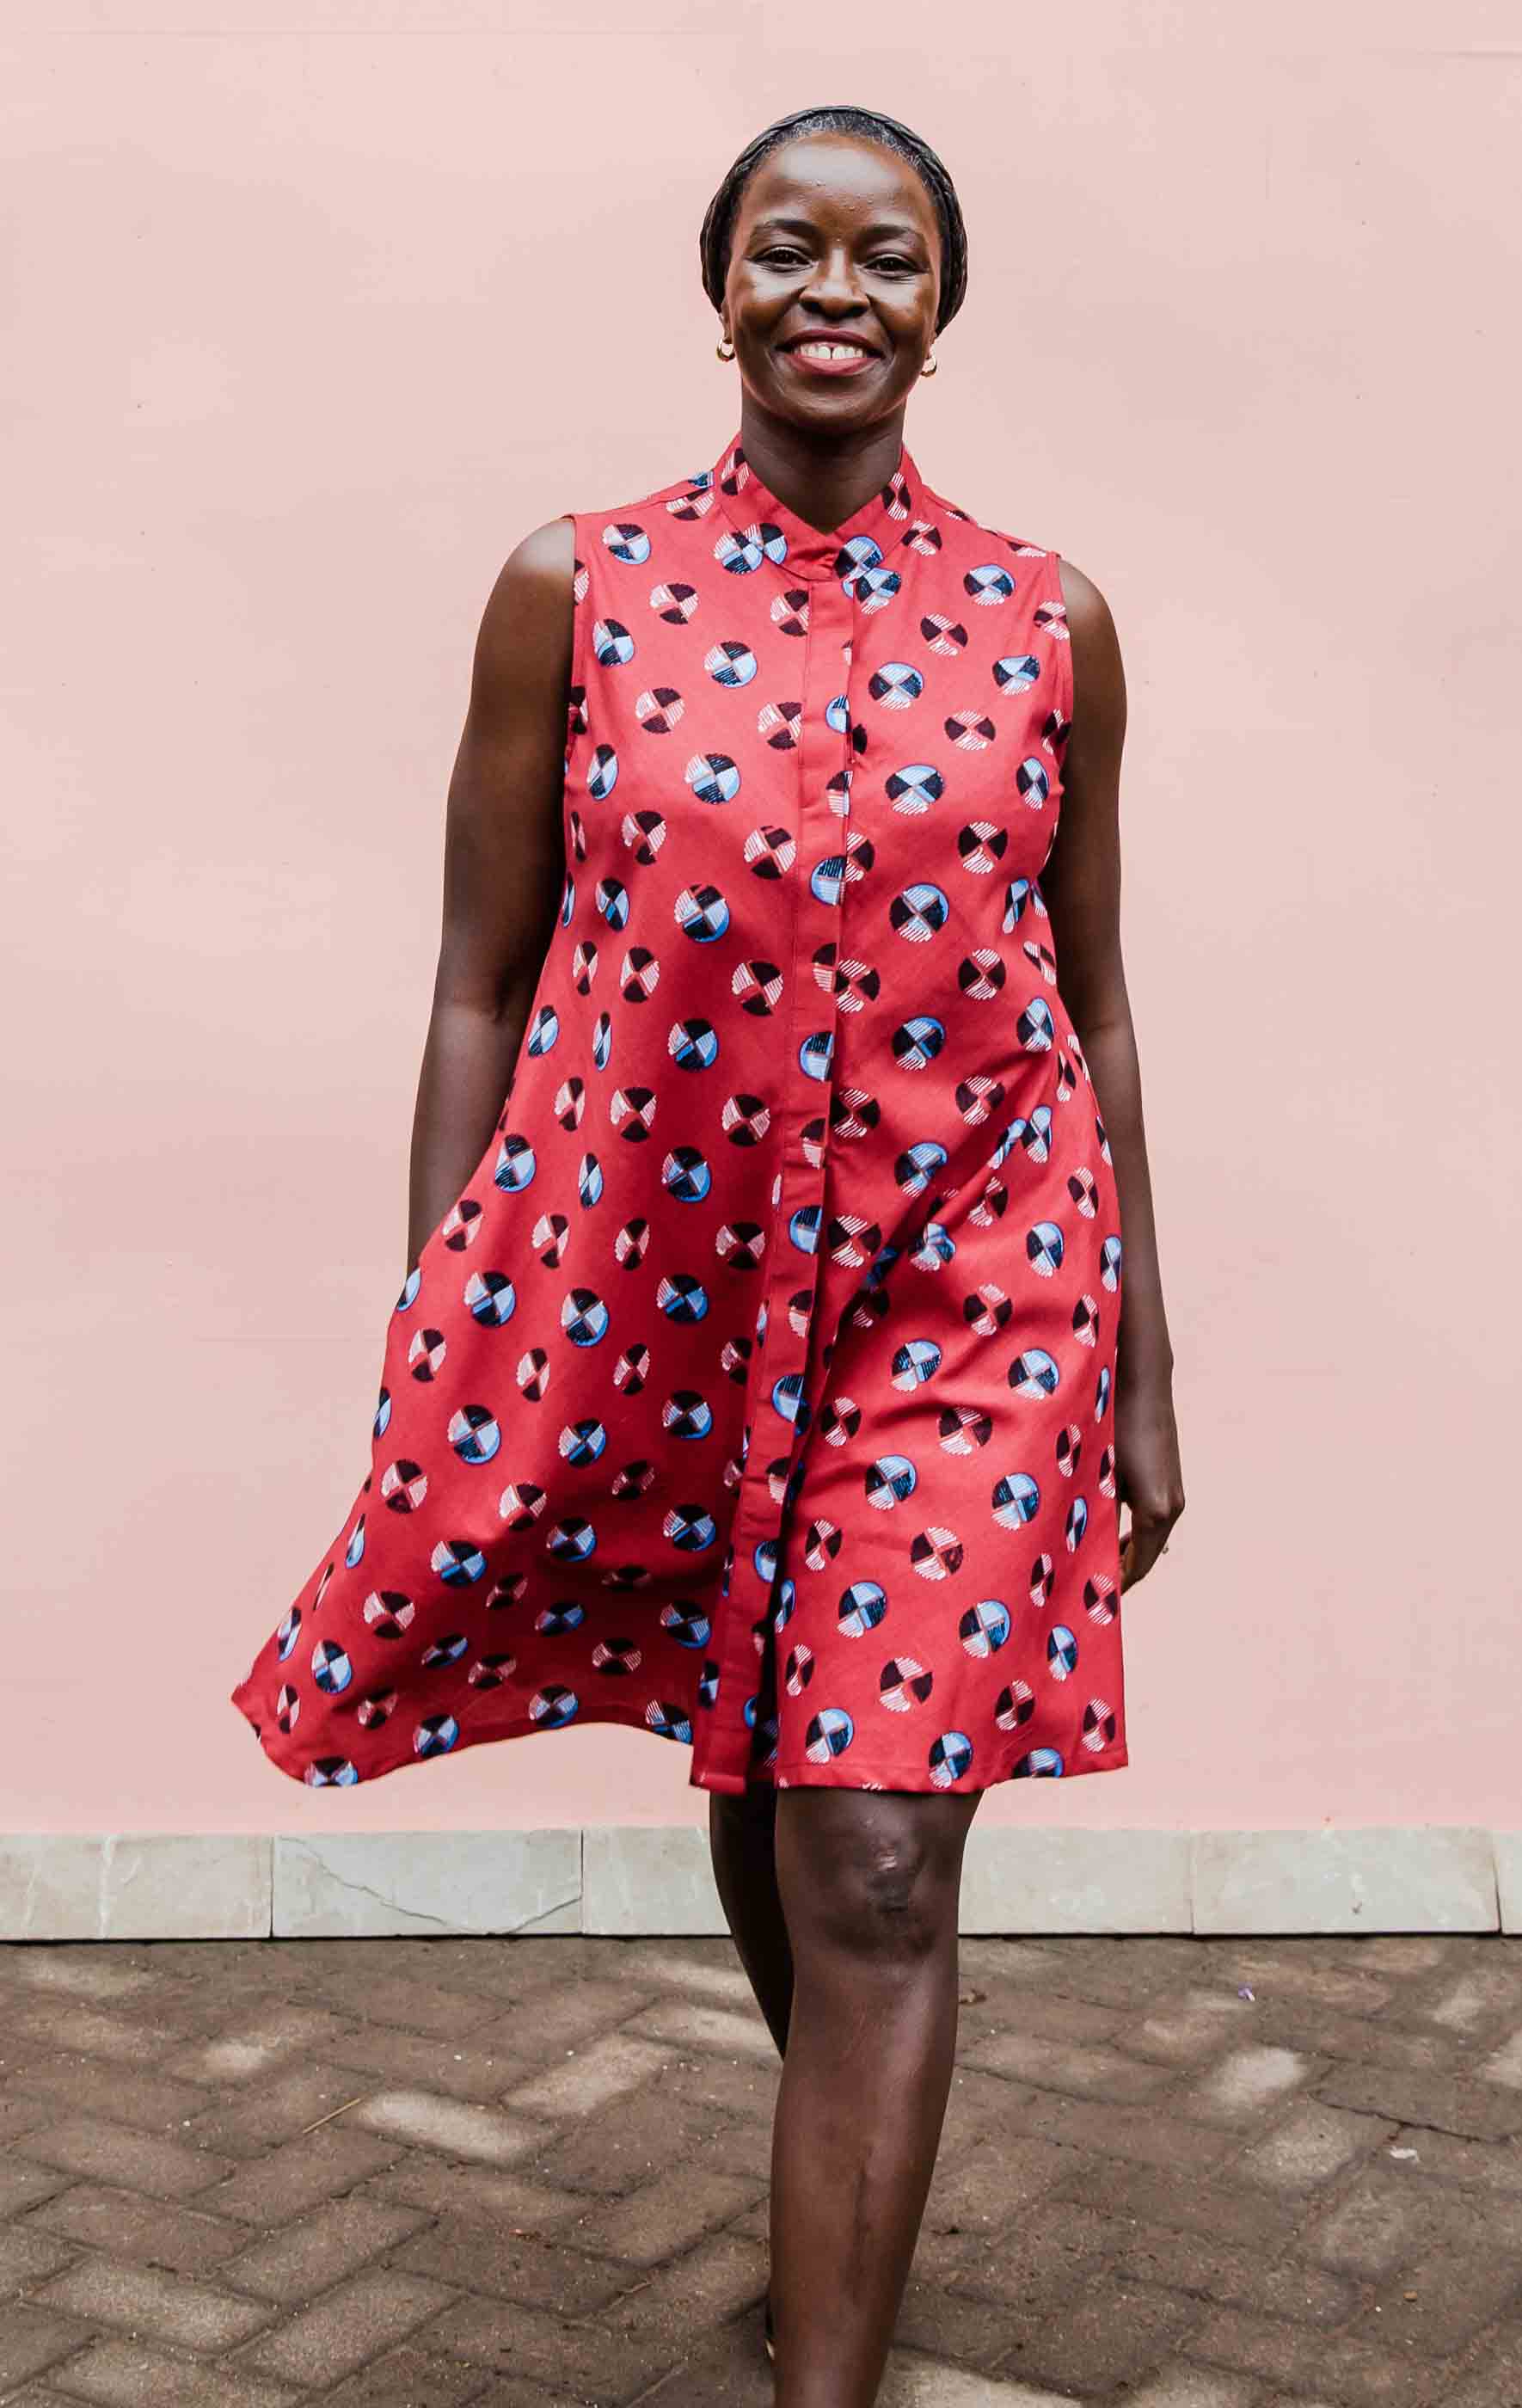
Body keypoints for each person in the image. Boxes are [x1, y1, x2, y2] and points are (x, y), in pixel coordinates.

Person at [230, 101, 1182, 2408]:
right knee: (769, 1791)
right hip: (657, 1290)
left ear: (946, 306)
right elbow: (481, 974)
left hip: (972, 1286)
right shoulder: (581, 587)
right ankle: (834, 2183)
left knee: (869, 1855)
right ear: (720, 285)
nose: (833, 290)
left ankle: (821, 2375)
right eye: (788, 249)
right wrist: (443, 1303)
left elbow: (1096, 998)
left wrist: (1146, 1366)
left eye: (885, 257)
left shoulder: (1050, 620)